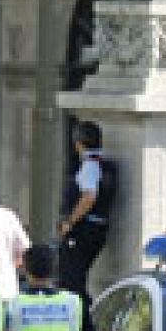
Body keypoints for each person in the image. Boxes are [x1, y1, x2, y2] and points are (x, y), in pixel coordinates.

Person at [57, 121, 116, 305]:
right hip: (97, 228)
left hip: (83, 230)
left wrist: (70, 222)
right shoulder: (105, 164)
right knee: (76, 278)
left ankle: (85, 318)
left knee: (71, 280)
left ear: (78, 144)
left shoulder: (89, 165)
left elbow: (89, 197)